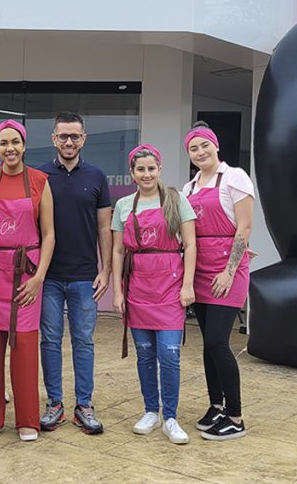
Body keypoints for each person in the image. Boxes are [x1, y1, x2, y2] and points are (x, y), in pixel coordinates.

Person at [111, 145, 196, 445]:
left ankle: (170, 417)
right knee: (145, 356)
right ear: (132, 174)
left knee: (169, 355)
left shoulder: (177, 200)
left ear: (159, 169)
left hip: (170, 286)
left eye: (151, 168)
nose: (146, 174)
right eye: (140, 169)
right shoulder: (123, 205)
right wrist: (118, 291)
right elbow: (118, 250)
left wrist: (188, 285)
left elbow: (190, 245)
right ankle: (151, 411)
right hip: (138, 289)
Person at [0, 120, 55, 442]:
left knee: (25, 348)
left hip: (27, 272)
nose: (10, 148)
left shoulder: (39, 181)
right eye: (4, 143)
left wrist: (39, 277)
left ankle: (27, 419)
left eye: (15, 142)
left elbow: (49, 233)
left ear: (24, 146)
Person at [36, 112, 112, 434]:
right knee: (50, 341)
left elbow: (105, 227)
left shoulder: (97, 176)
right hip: (49, 276)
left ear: (84, 139)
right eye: (63, 136)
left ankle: (84, 405)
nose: (69, 142)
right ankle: (54, 403)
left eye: (75, 136)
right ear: (54, 139)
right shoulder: (39, 176)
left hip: (84, 276)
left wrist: (106, 269)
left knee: (83, 342)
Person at [181, 121, 254, 441]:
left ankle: (235, 416)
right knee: (207, 347)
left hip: (228, 271)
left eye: (204, 146)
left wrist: (228, 271)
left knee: (217, 343)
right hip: (199, 271)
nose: (200, 153)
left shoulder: (235, 177)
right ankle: (216, 406)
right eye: (193, 149)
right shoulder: (190, 188)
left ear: (216, 145)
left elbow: (245, 228)